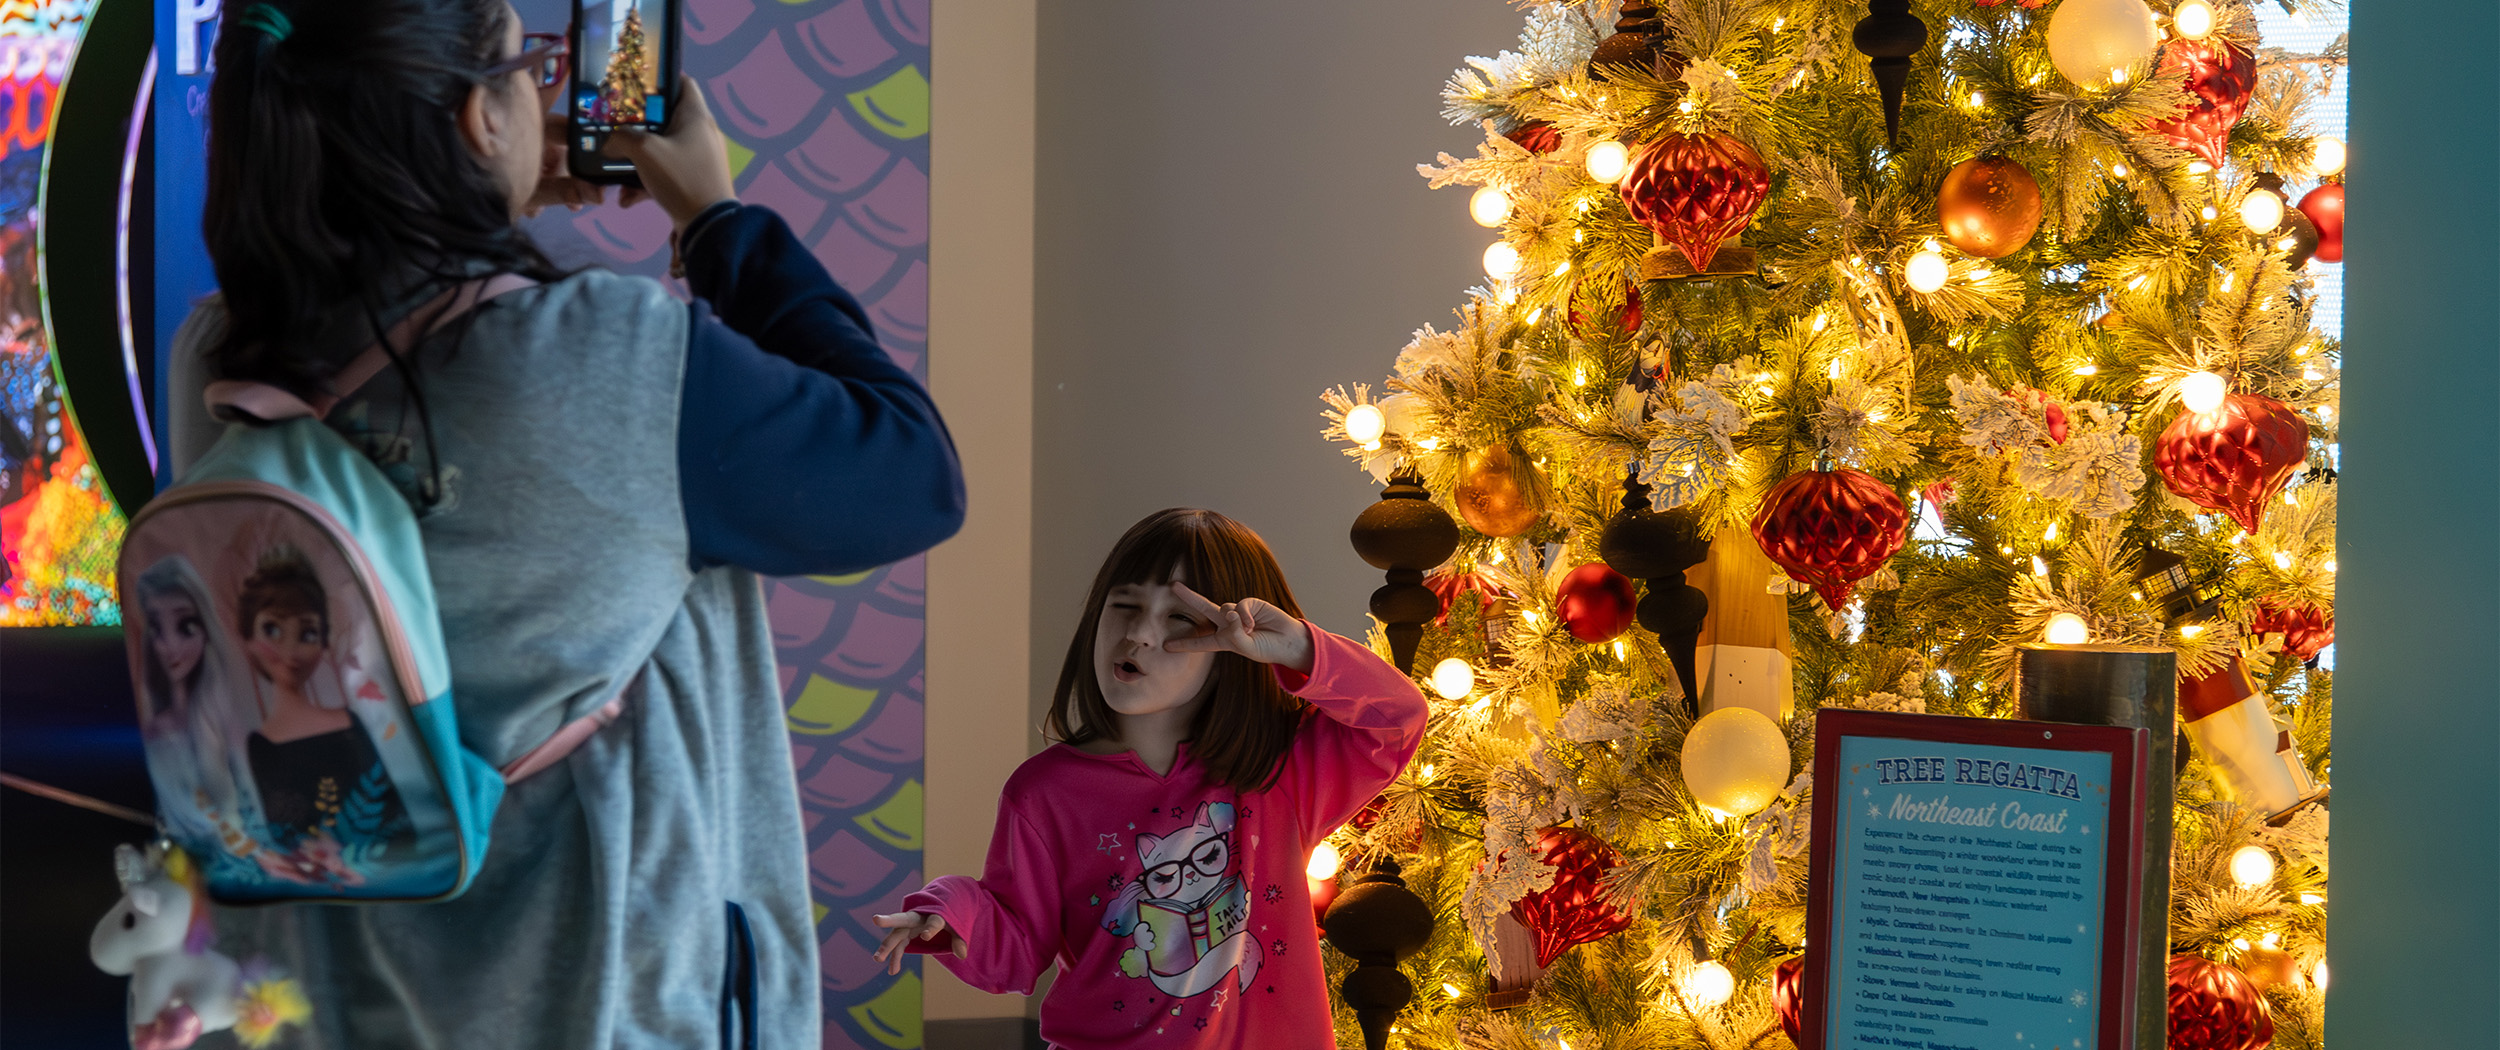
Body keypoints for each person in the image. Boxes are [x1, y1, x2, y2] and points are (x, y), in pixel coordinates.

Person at [164, 0, 965, 1045]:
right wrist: (718, 222)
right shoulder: (608, 356)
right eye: (519, 67)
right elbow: (911, 473)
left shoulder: (218, 366)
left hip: (339, 1001)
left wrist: (470, 197)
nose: (544, 88)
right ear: (474, 121)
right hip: (606, 1004)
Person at [870, 509, 1427, 1048]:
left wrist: (1298, 647)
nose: (1138, 632)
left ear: (1232, 646)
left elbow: (1397, 719)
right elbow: (1017, 946)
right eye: (1125, 605)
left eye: (1178, 618)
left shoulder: (1278, 772)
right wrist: (949, 911)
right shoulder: (1044, 794)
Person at [132, 556, 266, 863]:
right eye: (156, 627)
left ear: (206, 628)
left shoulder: (227, 714)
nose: (170, 645)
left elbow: (253, 805)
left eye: (185, 626)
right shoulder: (155, 727)